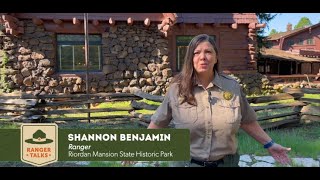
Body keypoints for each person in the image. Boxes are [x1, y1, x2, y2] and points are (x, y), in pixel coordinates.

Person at [148, 34, 291, 167]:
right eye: (196, 53)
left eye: (208, 52)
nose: (203, 57)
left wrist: (270, 144)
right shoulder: (176, 90)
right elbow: (158, 123)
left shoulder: (232, 86)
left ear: (216, 58)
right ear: (190, 58)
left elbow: (247, 121)